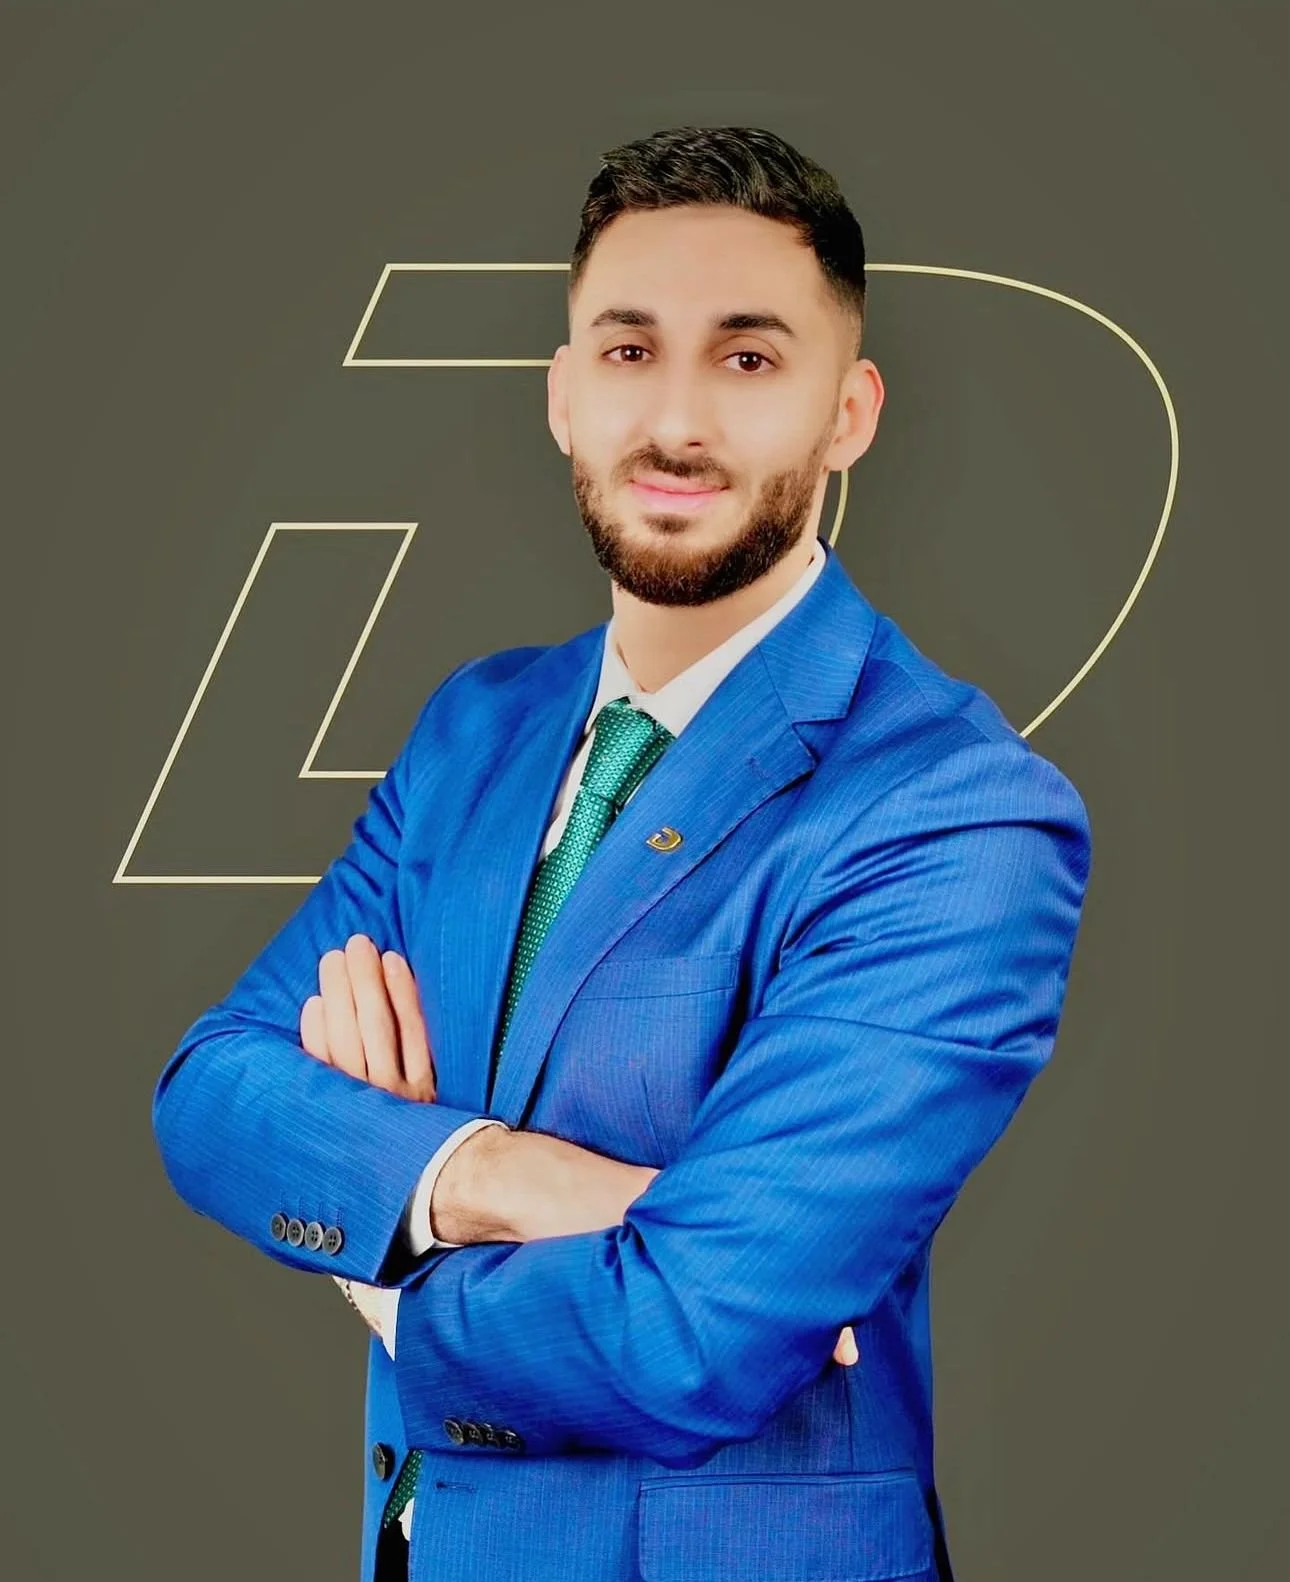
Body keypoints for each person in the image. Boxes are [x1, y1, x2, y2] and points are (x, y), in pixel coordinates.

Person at [151, 125, 1092, 1582]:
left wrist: (378, 1236)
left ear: (849, 413)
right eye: (629, 349)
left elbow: (687, 1334)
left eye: (748, 359)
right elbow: (213, 1089)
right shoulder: (476, 732)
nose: (674, 422)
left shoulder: (951, 811)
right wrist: (494, 1173)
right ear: (561, 392)